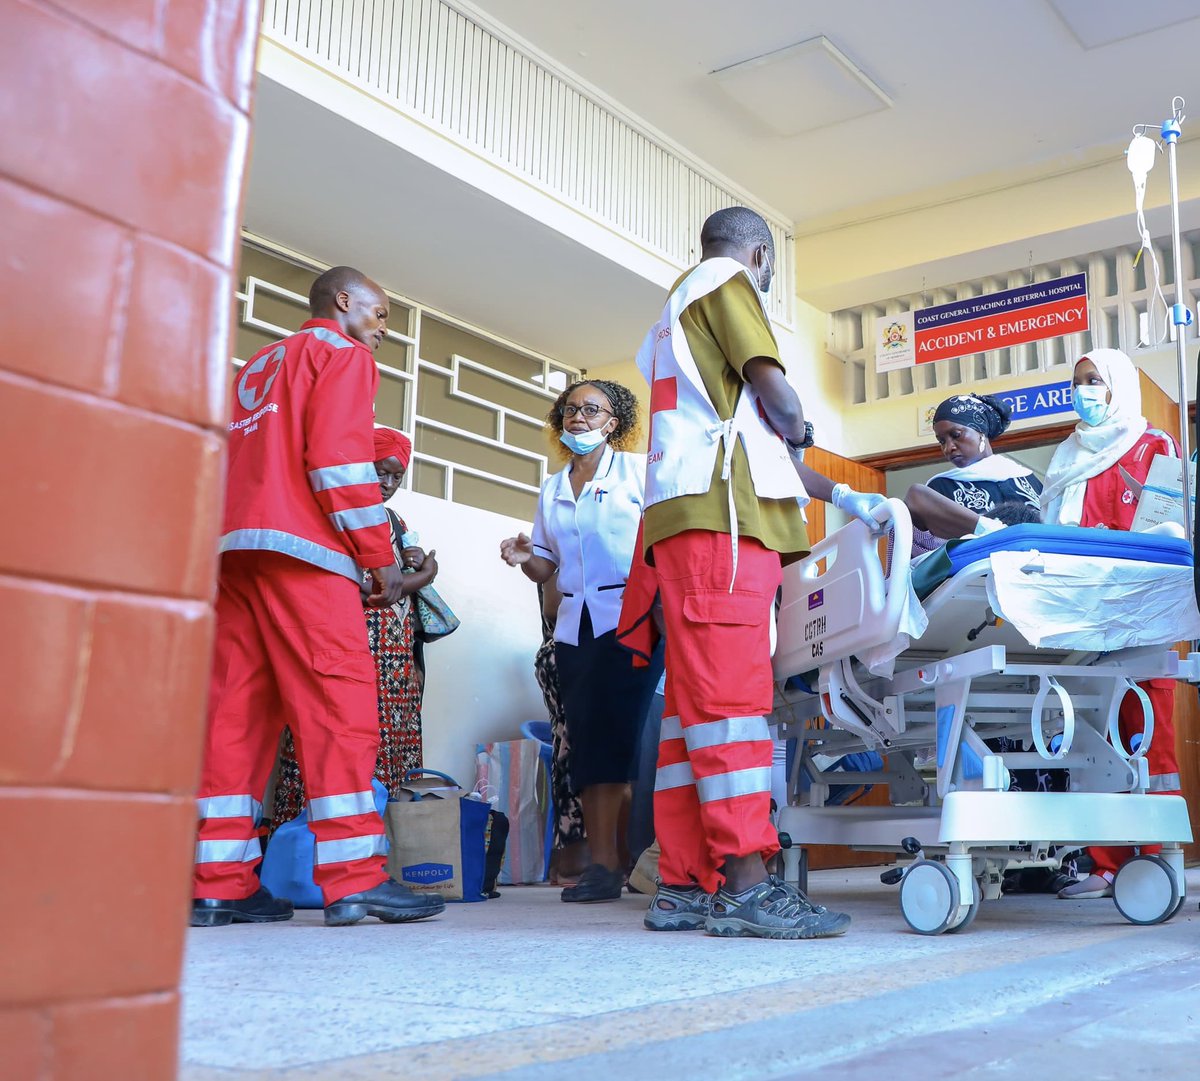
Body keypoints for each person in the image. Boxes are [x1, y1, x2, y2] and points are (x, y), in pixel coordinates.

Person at [630, 206, 883, 939]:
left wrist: (840, 493)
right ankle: (745, 878)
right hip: (723, 525)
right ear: (761, 255)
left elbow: (761, 439)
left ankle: (682, 881)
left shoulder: (674, 321)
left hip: (693, 523)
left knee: (689, 714)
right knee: (734, 704)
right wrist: (799, 417)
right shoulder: (723, 279)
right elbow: (775, 398)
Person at [192, 266, 444, 928]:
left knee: (233, 718)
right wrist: (378, 556)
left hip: (234, 554)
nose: (383, 329)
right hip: (305, 555)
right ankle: (355, 878)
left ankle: (218, 883)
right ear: (343, 302)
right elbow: (338, 464)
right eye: (380, 313)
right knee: (338, 706)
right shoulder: (340, 354)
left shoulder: (260, 364)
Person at [500, 379, 665, 902]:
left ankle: (647, 857)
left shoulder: (637, 472)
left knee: (632, 740)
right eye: (570, 409)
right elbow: (547, 567)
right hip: (575, 626)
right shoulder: (553, 487)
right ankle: (602, 866)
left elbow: (663, 538)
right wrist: (525, 555)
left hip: (634, 616)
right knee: (589, 745)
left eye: (591, 410)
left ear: (613, 421)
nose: (578, 418)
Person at [1040, 348, 1182, 900]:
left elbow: (1167, 525)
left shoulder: (1152, 445)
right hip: (1080, 618)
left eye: (1094, 380)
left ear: (1118, 385)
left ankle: (1158, 856)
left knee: (1146, 735)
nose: (1084, 391)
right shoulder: (1066, 455)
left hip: (1139, 612)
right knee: (1087, 740)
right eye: (1077, 381)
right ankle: (1104, 864)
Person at [271, 426, 440, 824]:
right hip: (349, 646)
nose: (388, 483)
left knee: (391, 748)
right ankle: (312, 846)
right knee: (336, 741)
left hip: (394, 659)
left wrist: (411, 564)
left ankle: (382, 847)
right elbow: (367, 590)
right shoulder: (338, 515)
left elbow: (394, 588)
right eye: (380, 471)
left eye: (397, 477)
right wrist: (425, 575)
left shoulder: (393, 520)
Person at [905, 393, 1042, 549]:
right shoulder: (940, 487)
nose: (948, 448)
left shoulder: (1027, 478)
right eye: (941, 441)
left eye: (956, 435)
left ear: (980, 432)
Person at [533, 575, 589, 882]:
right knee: (573, 751)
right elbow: (553, 607)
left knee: (568, 751)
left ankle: (570, 859)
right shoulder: (566, 540)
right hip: (569, 651)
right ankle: (574, 859)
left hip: (569, 650)